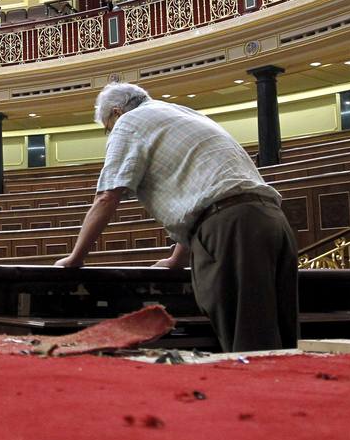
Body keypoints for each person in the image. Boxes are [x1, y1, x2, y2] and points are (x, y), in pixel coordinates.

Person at [55, 82, 299, 352]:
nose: (109, 134)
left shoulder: (128, 122)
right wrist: (177, 259)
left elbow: (106, 197)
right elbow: (203, 189)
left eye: (107, 127)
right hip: (271, 219)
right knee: (283, 340)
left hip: (232, 228)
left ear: (116, 112)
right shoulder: (183, 113)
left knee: (251, 344)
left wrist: (75, 257)